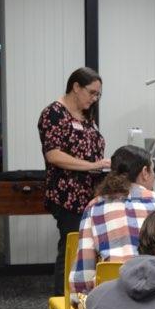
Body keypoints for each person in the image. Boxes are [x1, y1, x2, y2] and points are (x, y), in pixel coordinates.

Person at [39, 67, 110, 296]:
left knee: (88, 249)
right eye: (92, 92)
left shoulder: (86, 115)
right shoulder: (53, 113)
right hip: (67, 196)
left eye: (98, 94)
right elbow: (53, 155)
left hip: (91, 194)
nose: (95, 98)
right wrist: (92, 165)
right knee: (71, 249)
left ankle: (86, 299)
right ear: (76, 87)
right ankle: (62, 302)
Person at [69, 145, 155, 296]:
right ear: (145, 172)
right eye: (153, 171)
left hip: (112, 299)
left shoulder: (94, 208)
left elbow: (82, 280)